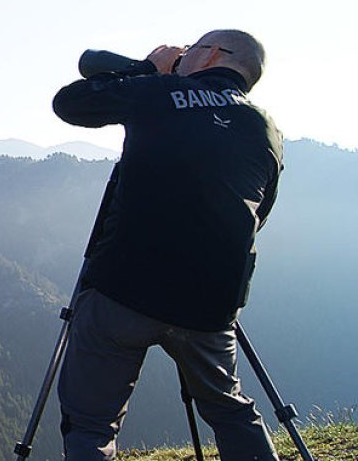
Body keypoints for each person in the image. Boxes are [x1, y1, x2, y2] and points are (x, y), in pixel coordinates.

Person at [51, 29, 283, 461]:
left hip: (123, 289)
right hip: (211, 306)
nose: (183, 56)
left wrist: (147, 69)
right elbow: (259, 213)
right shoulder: (266, 129)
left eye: (191, 48)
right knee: (231, 411)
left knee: (90, 425)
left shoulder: (160, 92)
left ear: (213, 53)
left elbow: (70, 102)